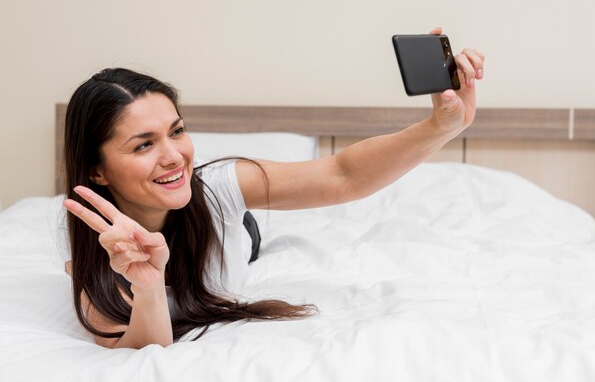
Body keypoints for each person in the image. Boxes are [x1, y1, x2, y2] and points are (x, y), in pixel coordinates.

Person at [62, 28, 485, 349]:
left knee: (242, 222)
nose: (174, 156)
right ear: (97, 171)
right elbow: (146, 354)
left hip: (235, 227)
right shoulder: (99, 261)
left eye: (177, 131)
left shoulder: (217, 187)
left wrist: (440, 127)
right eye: (144, 144)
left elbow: (343, 175)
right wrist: (150, 286)